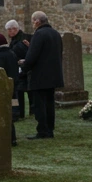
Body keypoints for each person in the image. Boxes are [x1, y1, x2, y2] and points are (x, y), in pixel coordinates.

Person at [21, 11, 63, 139]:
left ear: (38, 21)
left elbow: (32, 56)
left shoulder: (39, 34)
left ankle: (42, 131)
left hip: (40, 75)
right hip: (53, 74)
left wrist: (24, 68)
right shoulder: (55, 34)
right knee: (50, 103)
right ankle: (50, 129)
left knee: (40, 104)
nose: (33, 23)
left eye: (33, 21)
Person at [0, 31, 21, 146]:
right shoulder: (11, 53)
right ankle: (13, 137)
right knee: (12, 109)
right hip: (13, 87)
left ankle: (7, 139)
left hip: (2, 89)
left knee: (3, 114)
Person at [6, 19, 30, 120]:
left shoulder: (20, 42)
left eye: (9, 30)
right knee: (20, 93)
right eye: (8, 30)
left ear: (14, 29)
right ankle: (20, 112)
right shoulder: (17, 39)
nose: (9, 32)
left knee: (17, 93)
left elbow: (17, 54)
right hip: (23, 70)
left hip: (22, 70)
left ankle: (18, 113)